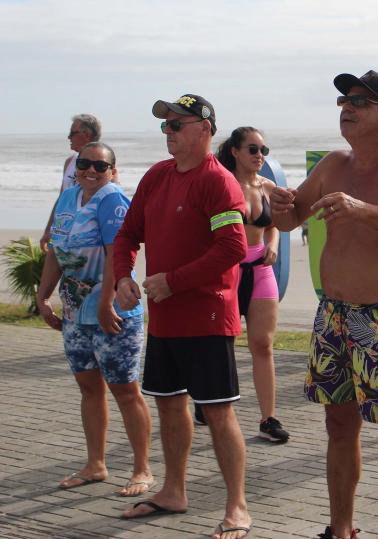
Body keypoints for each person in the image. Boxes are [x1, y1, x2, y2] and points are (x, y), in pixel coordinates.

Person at [271, 70, 378, 539]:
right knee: (338, 425)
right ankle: (342, 528)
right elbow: (290, 219)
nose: (346, 107)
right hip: (334, 314)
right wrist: (279, 204)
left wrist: (363, 209)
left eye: (359, 102)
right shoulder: (333, 164)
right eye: (343, 101)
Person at [112, 94, 252, 539]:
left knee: (217, 412)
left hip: (208, 317)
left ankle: (237, 506)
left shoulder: (219, 182)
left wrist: (174, 281)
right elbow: (127, 236)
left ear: (205, 129)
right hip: (165, 319)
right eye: (165, 126)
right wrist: (122, 278)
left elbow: (232, 248)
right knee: (169, 404)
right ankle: (173, 491)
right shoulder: (157, 176)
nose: (168, 133)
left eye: (177, 125)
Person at [35, 141, 154, 498]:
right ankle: (95, 465)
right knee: (89, 389)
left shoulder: (113, 200)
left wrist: (106, 304)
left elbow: (118, 254)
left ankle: (142, 469)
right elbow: (56, 252)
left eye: (100, 166)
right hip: (75, 314)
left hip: (114, 313)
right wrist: (43, 296)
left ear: (113, 171)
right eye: (84, 164)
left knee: (125, 391)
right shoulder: (68, 199)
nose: (91, 171)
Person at [214, 126, 289, 443]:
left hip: (260, 269)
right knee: (221, 344)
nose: (260, 156)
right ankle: (211, 404)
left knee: (262, 344)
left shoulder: (267, 187)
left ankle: (268, 419)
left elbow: (274, 225)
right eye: (253, 149)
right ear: (235, 151)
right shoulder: (221, 184)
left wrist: (273, 244)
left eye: (264, 150)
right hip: (226, 271)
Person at [40, 114, 101, 251]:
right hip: (63, 230)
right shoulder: (70, 162)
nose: (69, 137)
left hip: (88, 236)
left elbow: (110, 197)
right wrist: (49, 229)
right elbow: (62, 198)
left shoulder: (102, 163)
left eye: (72, 133)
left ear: (86, 135)